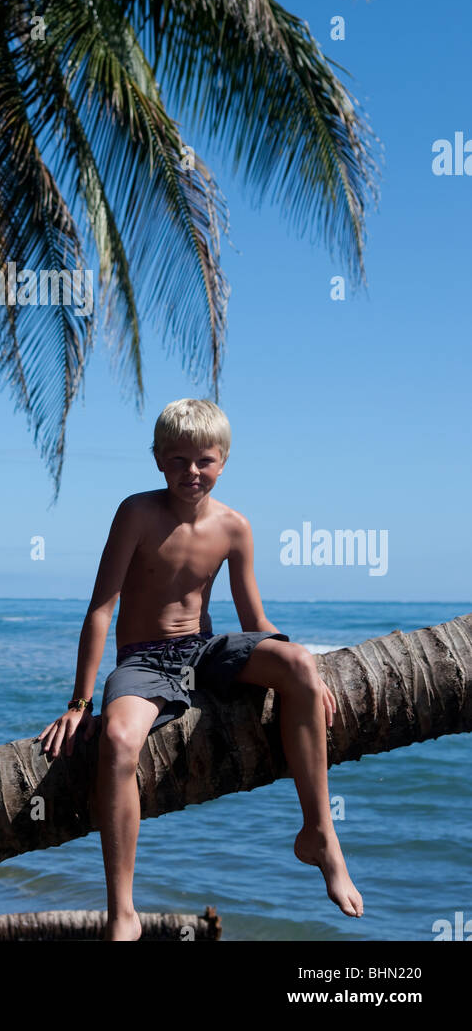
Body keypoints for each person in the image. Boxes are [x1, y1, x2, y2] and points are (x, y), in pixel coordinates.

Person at [38, 397, 363, 941]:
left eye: (204, 460)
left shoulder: (234, 527)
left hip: (202, 650)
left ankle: (319, 833)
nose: (192, 472)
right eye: (178, 460)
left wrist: (302, 675)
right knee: (118, 741)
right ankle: (122, 910)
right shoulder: (136, 513)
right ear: (159, 460)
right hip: (144, 661)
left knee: (299, 663)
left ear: (224, 460)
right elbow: (100, 610)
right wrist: (79, 701)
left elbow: (255, 620)